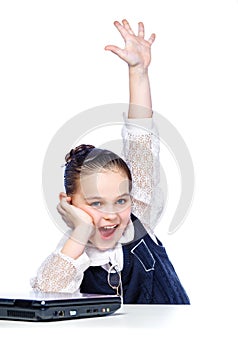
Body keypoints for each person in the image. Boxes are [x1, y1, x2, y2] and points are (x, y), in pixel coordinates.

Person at [31, 19, 190, 304]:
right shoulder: (70, 257)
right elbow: (46, 296)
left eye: (120, 200)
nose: (111, 214)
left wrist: (138, 72)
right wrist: (80, 233)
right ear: (68, 204)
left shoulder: (138, 221)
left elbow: (141, 141)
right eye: (95, 203)